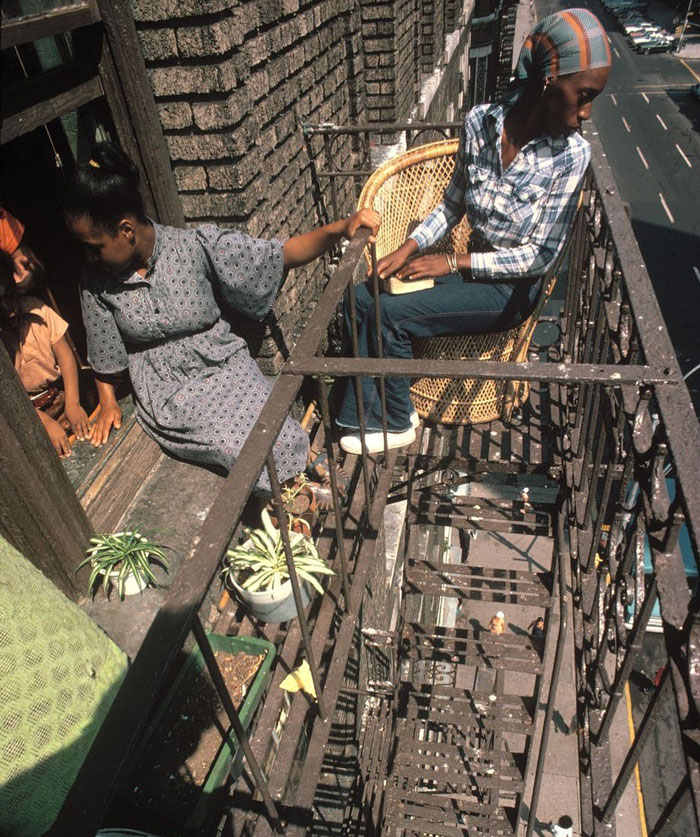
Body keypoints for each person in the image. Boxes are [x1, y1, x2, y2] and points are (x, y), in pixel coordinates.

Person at [337, 8, 611, 454]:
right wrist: (410, 246)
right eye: (583, 95)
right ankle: (369, 408)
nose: (586, 112)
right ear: (546, 82)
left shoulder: (570, 156)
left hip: (511, 291)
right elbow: (452, 203)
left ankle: (394, 418)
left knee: (392, 317)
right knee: (363, 296)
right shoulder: (480, 123)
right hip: (473, 269)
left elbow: (541, 255)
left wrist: (452, 260)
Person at [63, 143, 380, 495]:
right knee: (231, 443)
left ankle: (303, 458)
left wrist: (340, 229)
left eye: (95, 246)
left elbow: (278, 255)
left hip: (222, 360)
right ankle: (292, 494)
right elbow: (105, 350)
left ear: (126, 230)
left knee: (267, 416)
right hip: (168, 388)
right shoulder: (95, 282)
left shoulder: (193, 246)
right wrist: (107, 402)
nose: (89, 257)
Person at [0, 254, 91, 457]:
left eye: (9, 295)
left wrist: (73, 404)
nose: (7, 308)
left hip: (61, 398)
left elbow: (66, 357)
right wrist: (44, 423)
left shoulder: (36, 309)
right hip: (27, 417)